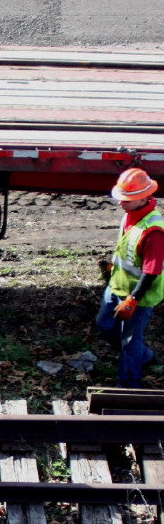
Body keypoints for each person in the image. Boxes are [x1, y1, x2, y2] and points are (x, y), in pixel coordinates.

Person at [94, 166, 164, 388]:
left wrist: (133, 299)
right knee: (105, 325)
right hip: (117, 287)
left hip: (137, 298)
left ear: (143, 199)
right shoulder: (130, 216)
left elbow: (151, 271)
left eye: (126, 199)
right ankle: (144, 356)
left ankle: (128, 387)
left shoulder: (154, 232)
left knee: (130, 342)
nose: (120, 202)